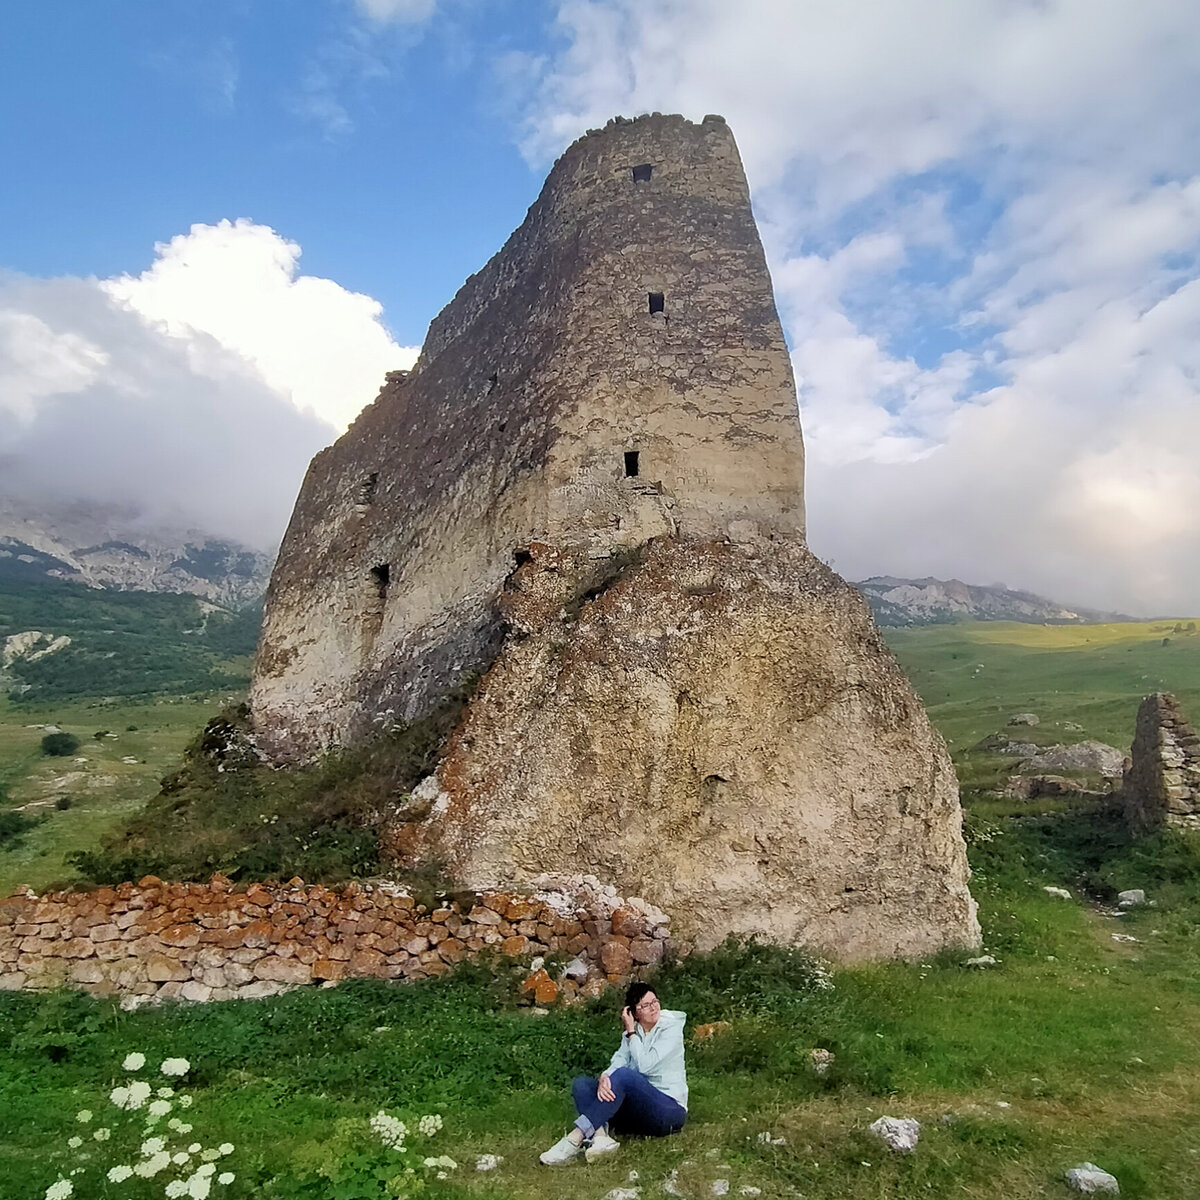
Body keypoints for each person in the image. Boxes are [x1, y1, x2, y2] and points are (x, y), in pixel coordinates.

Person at [540, 982, 688, 1165]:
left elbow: (645, 1065)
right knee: (583, 1085)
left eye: (655, 1001)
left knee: (625, 1076)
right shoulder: (632, 1034)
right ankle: (601, 1138)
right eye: (645, 1005)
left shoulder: (671, 1028)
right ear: (633, 1013)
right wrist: (605, 1076)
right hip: (638, 1115)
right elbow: (618, 1061)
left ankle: (574, 1139)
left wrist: (631, 1032)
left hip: (668, 1112)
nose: (653, 1008)